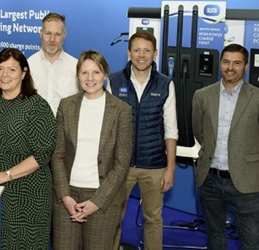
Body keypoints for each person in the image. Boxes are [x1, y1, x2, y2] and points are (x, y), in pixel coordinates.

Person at [0, 47, 56, 250]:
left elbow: (42, 153)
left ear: (24, 73)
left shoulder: (37, 106)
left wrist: (6, 175)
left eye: (12, 69)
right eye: (0, 69)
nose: (5, 75)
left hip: (29, 192)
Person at [51, 50, 132, 250]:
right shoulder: (66, 106)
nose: (90, 78)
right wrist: (65, 196)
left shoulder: (121, 111)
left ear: (105, 74)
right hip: (67, 197)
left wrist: (96, 202)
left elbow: (122, 163)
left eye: (96, 72)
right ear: (77, 76)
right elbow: (58, 155)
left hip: (104, 199)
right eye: (84, 73)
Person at [107, 31, 178, 250]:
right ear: (128, 52)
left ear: (155, 53)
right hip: (121, 165)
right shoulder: (113, 81)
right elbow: (107, 129)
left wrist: (170, 169)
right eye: (136, 49)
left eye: (147, 50)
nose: (141, 55)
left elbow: (171, 130)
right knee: (112, 219)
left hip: (154, 165)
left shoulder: (166, 84)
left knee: (153, 220)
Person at [192, 43, 259, 249]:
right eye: (226, 62)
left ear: (246, 66)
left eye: (237, 63)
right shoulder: (202, 95)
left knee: (251, 240)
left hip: (247, 182)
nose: (231, 67)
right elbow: (199, 132)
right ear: (220, 63)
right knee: (215, 236)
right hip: (210, 179)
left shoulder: (257, 97)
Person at [27, 12, 79, 116]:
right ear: (41, 33)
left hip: (66, 129)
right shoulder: (29, 65)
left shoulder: (76, 67)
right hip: (35, 129)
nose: (52, 39)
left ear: (64, 35)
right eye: (48, 33)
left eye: (57, 34)